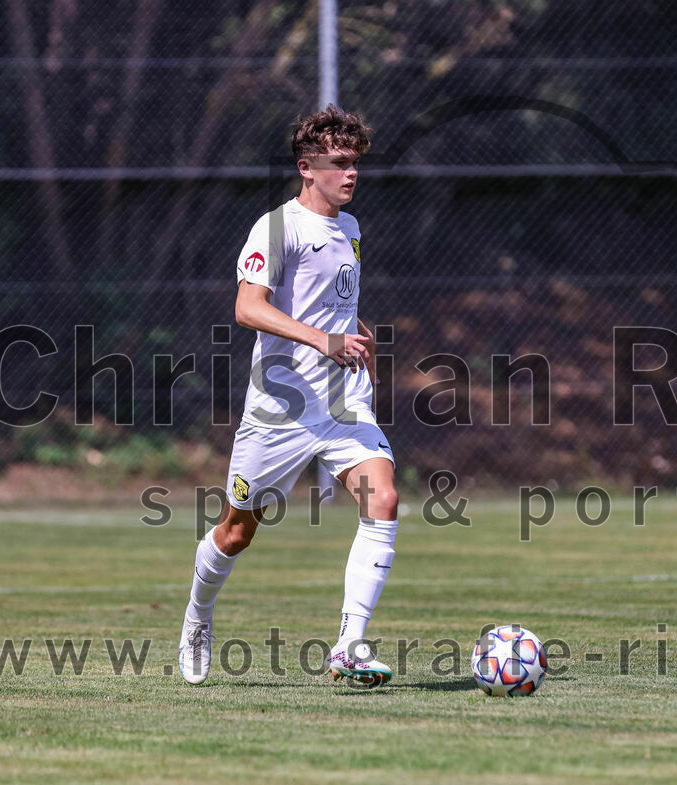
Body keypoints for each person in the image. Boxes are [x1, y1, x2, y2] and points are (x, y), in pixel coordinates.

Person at [178, 106, 398, 685]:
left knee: (384, 498)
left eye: (356, 164)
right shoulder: (276, 228)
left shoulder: (350, 229)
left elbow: (333, 305)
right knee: (235, 532)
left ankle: (349, 644)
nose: (352, 174)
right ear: (307, 167)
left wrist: (356, 336)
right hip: (279, 410)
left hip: (343, 403)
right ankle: (198, 618)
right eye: (339, 164)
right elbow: (247, 307)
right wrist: (322, 339)